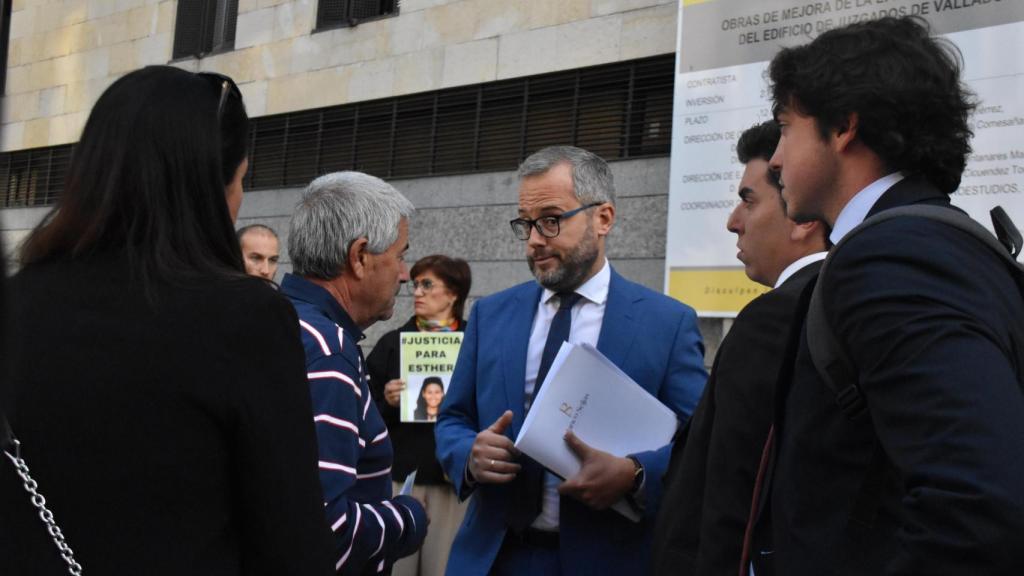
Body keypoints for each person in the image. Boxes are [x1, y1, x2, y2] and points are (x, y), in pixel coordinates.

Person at [0, 66, 335, 576]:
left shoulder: (17, 301)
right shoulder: (244, 317)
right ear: (211, 186)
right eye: (242, 180)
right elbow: (291, 541)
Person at [749, 16, 1024, 575]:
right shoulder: (926, 245)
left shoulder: (896, 258)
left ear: (845, 126)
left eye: (786, 128)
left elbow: (977, 506)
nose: (775, 159)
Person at [435, 145, 708, 576]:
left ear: (603, 218)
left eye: (550, 220)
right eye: (525, 224)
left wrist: (635, 474)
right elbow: (452, 419)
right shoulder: (491, 315)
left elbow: (701, 445)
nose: (535, 239)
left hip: (612, 559)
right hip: (494, 557)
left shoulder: (667, 324)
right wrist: (470, 454)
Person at [651, 121, 828, 576]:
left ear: (803, 215)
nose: (733, 221)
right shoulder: (849, 302)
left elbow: (732, 502)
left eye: (749, 200)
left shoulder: (777, 318)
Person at [282, 171, 429, 576]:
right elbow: (325, 532)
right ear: (360, 256)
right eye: (400, 255)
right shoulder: (327, 349)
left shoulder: (280, 321)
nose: (404, 273)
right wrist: (407, 518)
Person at [366, 254, 472, 576]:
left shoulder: (473, 342)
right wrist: (385, 400)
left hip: (450, 480)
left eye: (428, 284)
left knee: (444, 568)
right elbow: (364, 414)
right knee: (398, 568)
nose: (417, 292)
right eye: (415, 285)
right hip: (402, 478)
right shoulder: (391, 343)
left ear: (453, 293)